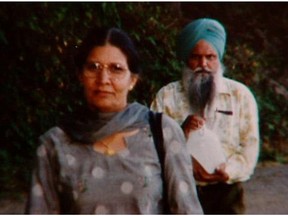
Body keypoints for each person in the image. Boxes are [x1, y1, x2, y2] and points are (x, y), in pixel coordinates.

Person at [25, 26, 203, 214]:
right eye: (93, 67)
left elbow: (187, 209)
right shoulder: (54, 144)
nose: (103, 79)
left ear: (132, 80)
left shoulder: (162, 131)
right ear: (80, 76)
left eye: (116, 69)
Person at [151, 18, 260, 214]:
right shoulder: (166, 96)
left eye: (210, 57)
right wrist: (181, 134)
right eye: (196, 57)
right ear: (186, 59)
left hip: (226, 194)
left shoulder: (240, 95)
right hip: (178, 191)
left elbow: (250, 146)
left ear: (219, 59)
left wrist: (227, 171)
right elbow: (152, 146)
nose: (203, 64)